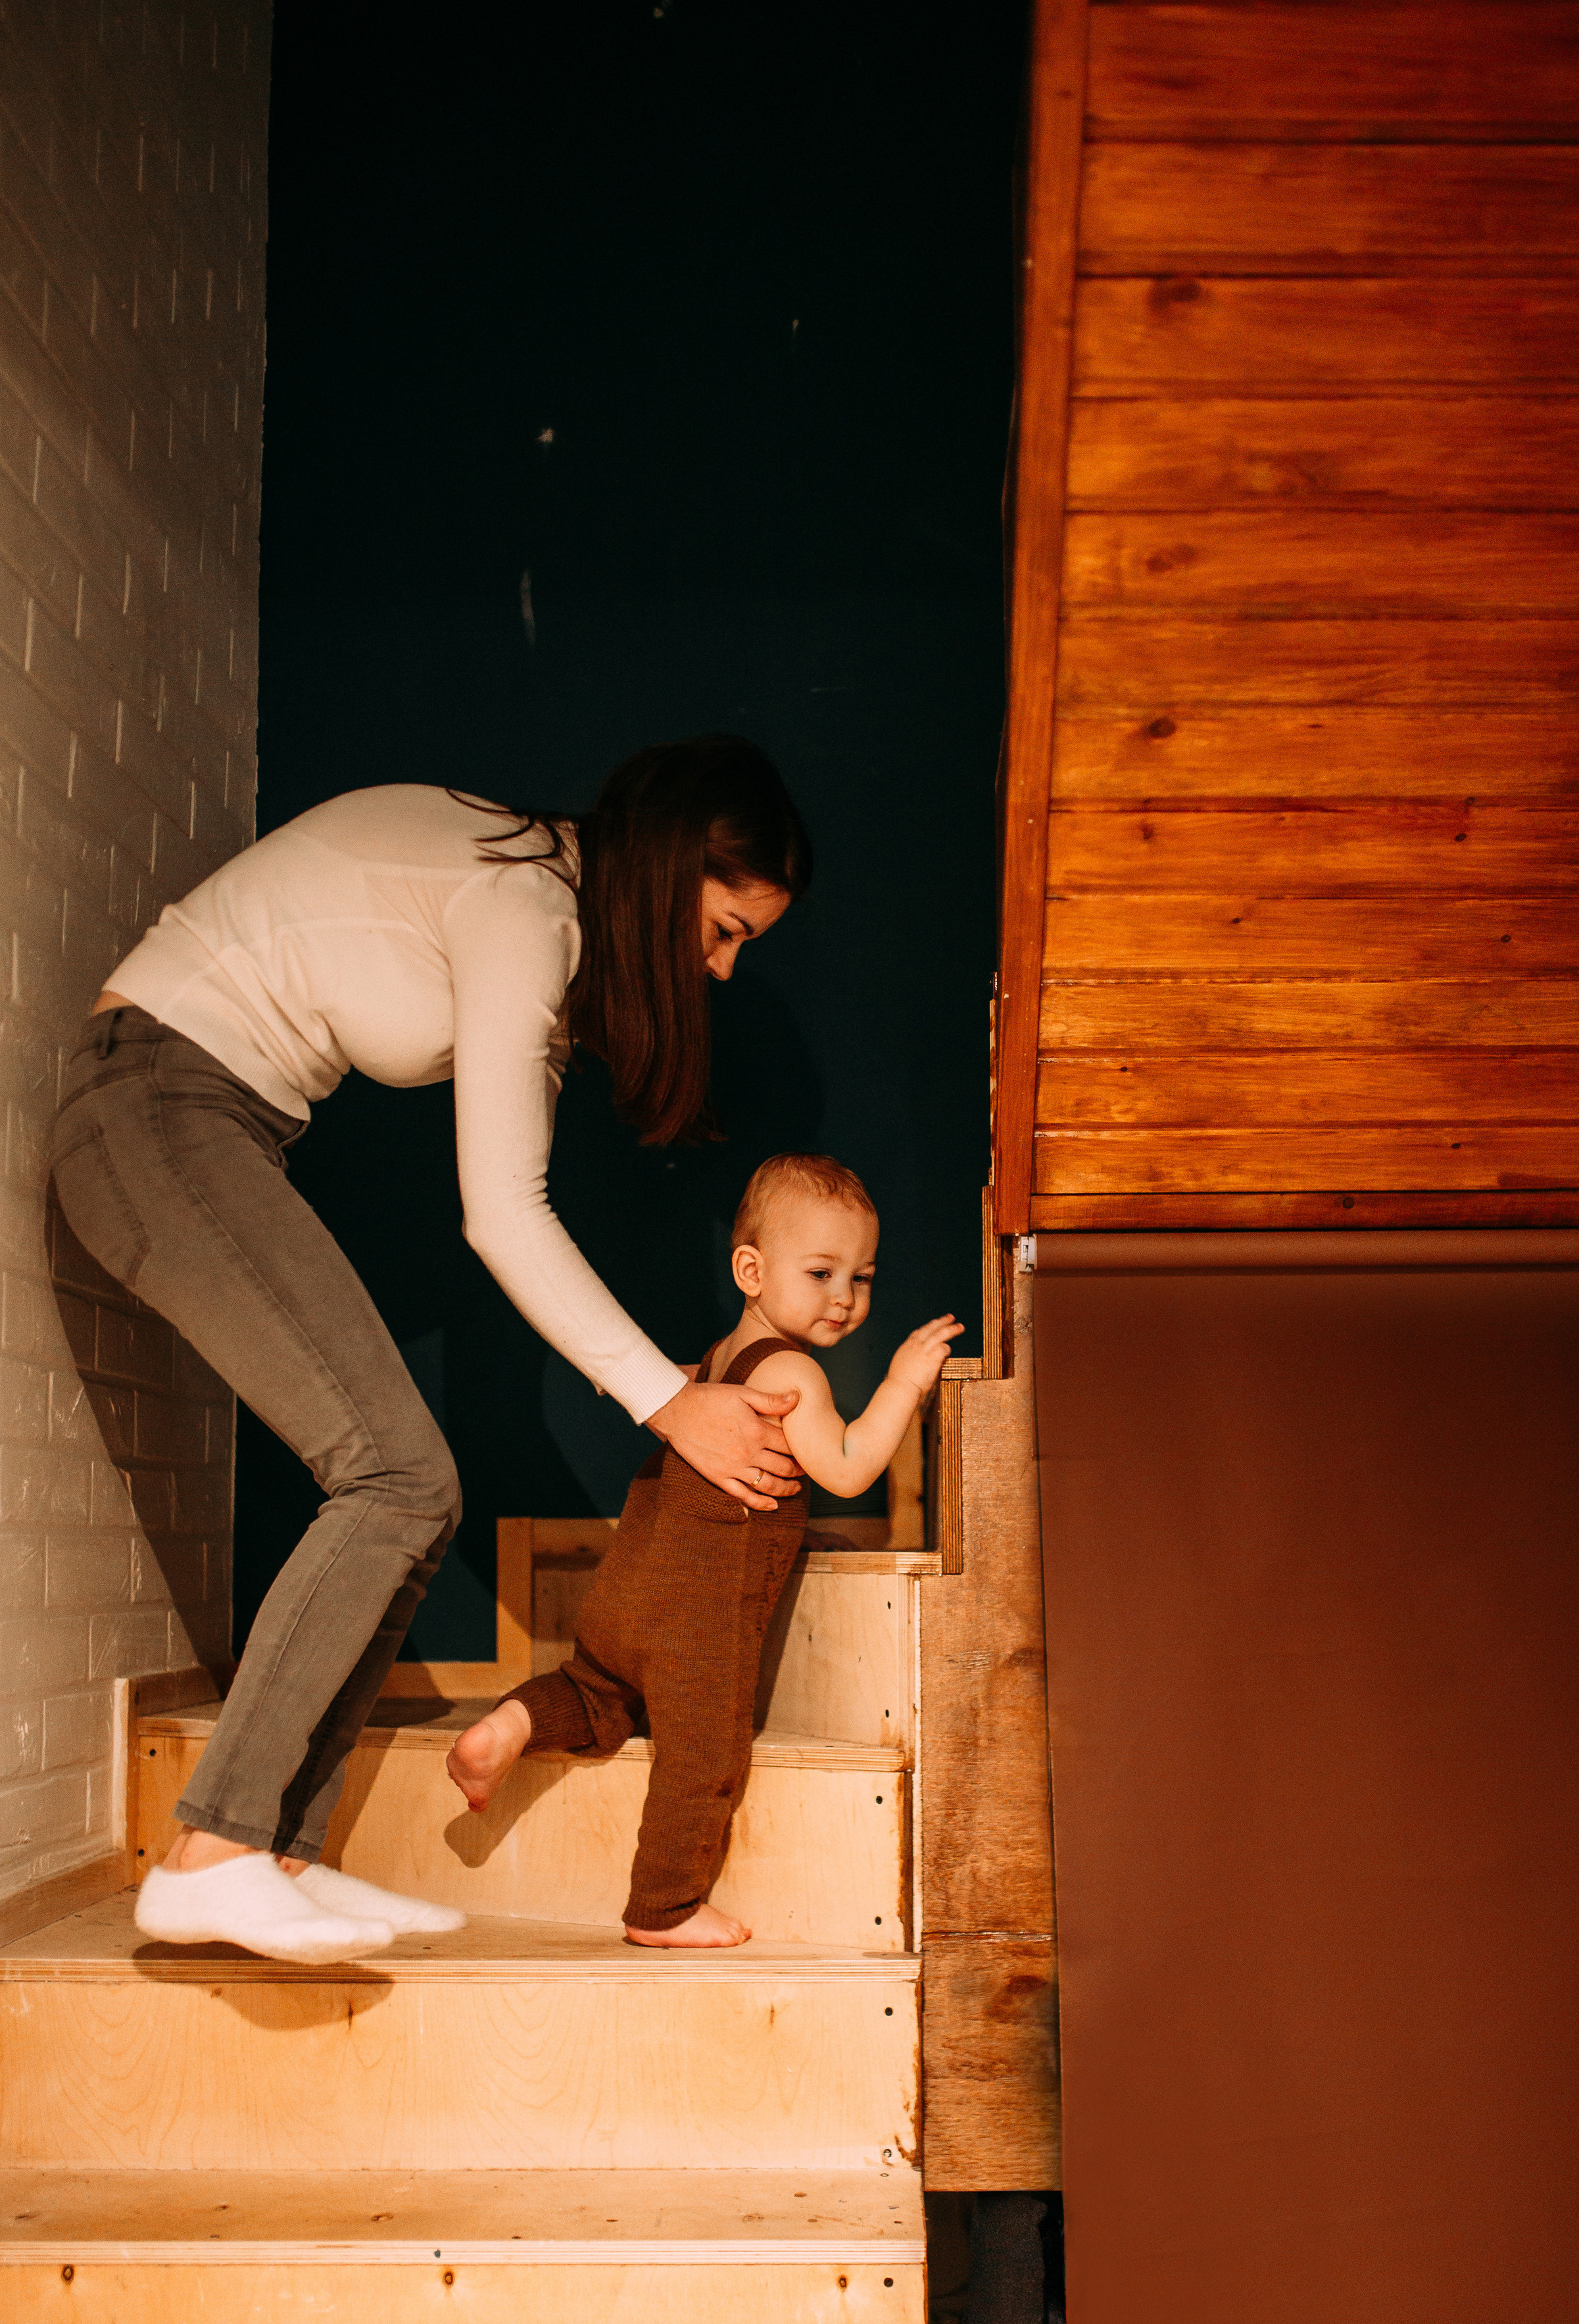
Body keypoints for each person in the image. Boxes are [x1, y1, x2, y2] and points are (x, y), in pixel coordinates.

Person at [46, 738, 812, 1964]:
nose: (717, 970)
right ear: (667, 871)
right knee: (399, 1476)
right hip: (152, 1102)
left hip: (214, 1120)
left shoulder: (545, 934)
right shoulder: (524, 901)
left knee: (422, 1490)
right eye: (721, 929)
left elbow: (517, 1207)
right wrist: (675, 1404)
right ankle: (215, 1853)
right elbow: (503, 1212)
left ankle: (278, 1852)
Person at [444, 1151, 961, 1946]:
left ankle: (506, 1727)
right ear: (751, 1269)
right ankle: (666, 1906)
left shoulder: (715, 1363)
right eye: (821, 1272)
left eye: (860, 1278)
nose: (844, 1298)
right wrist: (902, 1384)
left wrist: (793, 1531)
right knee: (705, 1758)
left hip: (628, 1592)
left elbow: (753, 1489)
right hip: (698, 1624)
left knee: (593, 1692)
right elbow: (850, 1468)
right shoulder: (796, 1371)